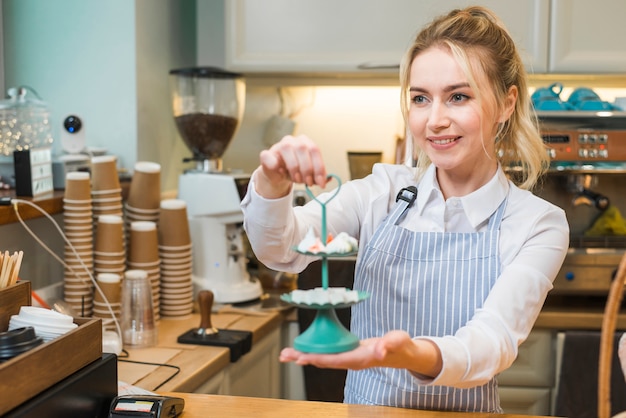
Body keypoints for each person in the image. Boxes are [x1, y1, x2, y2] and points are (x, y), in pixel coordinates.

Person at [240, 5, 569, 413]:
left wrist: (407, 354)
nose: (434, 120)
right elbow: (281, 251)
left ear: (506, 103)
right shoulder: (380, 193)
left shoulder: (538, 223)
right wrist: (273, 182)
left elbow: (492, 342)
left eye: (458, 97)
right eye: (420, 99)